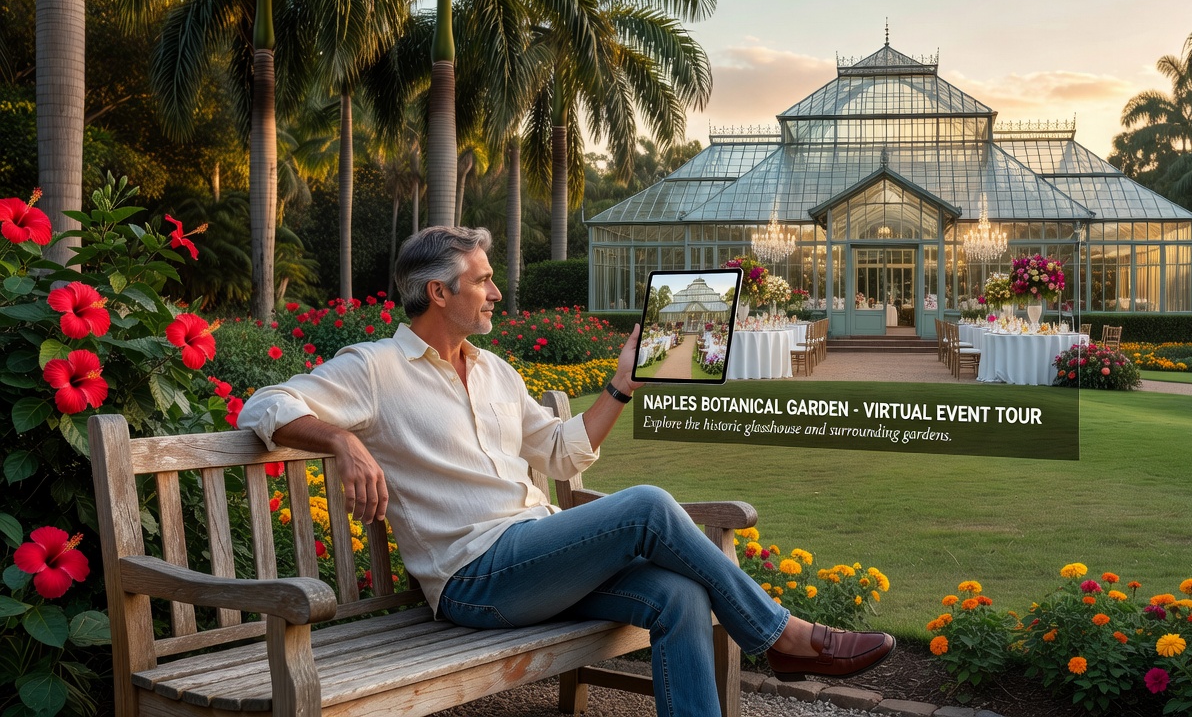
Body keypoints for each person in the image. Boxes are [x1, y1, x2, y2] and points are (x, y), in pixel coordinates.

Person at [238, 226, 892, 717]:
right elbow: (265, 406)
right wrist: (344, 442)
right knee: (646, 506)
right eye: (482, 280)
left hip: (536, 558)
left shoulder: (495, 370)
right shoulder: (374, 368)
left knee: (678, 596)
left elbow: (557, 452)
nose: (496, 291)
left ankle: (777, 639)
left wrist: (620, 386)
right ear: (439, 292)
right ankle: (783, 635)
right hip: (473, 579)